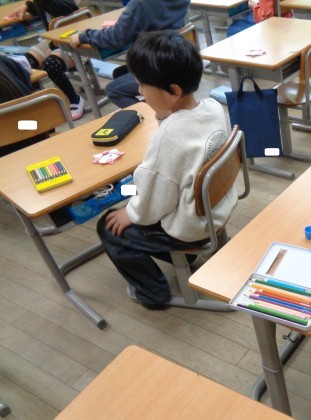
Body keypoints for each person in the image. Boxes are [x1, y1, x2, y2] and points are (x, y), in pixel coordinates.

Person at [96, 31, 237, 310]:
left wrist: (131, 213)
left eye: (142, 85)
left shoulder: (169, 137)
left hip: (190, 227)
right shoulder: (213, 107)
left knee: (109, 227)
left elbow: (152, 202)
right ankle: (189, 257)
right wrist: (165, 117)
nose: (140, 92)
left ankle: (154, 293)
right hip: (217, 207)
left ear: (173, 91)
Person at [67, 0, 190, 110]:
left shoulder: (140, 3)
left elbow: (115, 38)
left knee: (113, 91)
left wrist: (83, 37)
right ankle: (159, 105)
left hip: (155, 64)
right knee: (119, 73)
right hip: (176, 57)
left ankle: (154, 117)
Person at [4, 0, 83, 118]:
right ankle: (37, 102)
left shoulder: (58, 3)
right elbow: (38, 9)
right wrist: (27, 6)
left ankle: (74, 99)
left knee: (51, 64)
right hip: (53, 40)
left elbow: (70, 9)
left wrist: (52, 47)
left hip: (73, 40)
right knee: (25, 64)